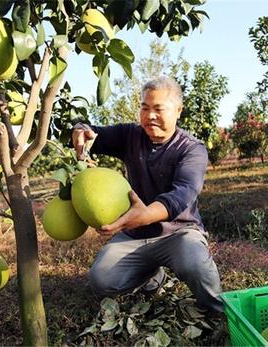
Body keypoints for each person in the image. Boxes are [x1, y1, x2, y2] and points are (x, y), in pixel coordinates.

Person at [72, 76, 223, 314]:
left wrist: (145, 214)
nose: (150, 115)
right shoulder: (130, 135)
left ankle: (218, 313)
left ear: (178, 111)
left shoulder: (192, 149)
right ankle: (153, 278)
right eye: (144, 108)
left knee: (194, 262)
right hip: (136, 235)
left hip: (179, 232)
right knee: (102, 279)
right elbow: (94, 134)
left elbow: (183, 194)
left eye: (158, 109)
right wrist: (81, 131)